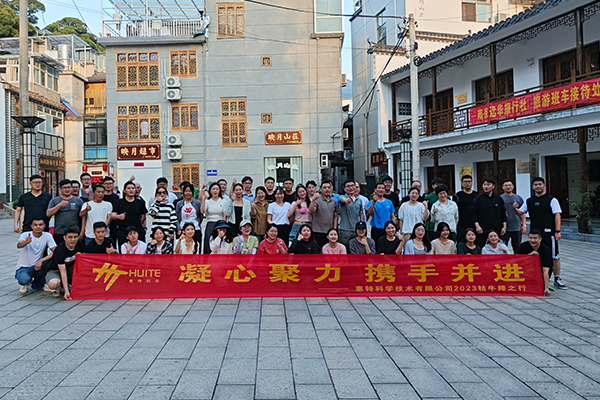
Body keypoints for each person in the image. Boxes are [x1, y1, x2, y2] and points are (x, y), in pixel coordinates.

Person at [515, 177, 565, 289]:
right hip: (535, 235)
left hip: (549, 233)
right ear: (533, 187)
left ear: (544, 185)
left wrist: (557, 231)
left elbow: (557, 215)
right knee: (534, 255)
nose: (538, 186)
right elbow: (520, 212)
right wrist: (514, 208)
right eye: (536, 184)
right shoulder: (529, 201)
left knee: (554, 256)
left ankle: (557, 278)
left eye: (540, 184)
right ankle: (538, 278)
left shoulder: (551, 199)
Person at [15, 218, 56, 293]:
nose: (38, 227)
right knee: (24, 280)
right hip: (24, 267)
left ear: (44, 226)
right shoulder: (25, 234)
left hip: (38, 266)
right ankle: (25, 283)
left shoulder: (47, 235)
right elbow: (19, 245)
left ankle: (43, 282)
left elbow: (55, 251)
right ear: (32, 226)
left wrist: (42, 260)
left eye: (40, 225)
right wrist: (26, 242)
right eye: (35, 225)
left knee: (52, 260)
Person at [45, 227, 85, 300]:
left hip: (71, 268)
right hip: (56, 270)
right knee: (53, 283)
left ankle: (69, 285)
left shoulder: (80, 244)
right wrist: (66, 292)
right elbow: (63, 272)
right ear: (64, 238)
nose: (73, 240)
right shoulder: (60, 250)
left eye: (75, 237)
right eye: (70, 237)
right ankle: (59, 287)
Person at [47, 179, 84, 245]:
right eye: (64, 188)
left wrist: (82, 231)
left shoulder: (78, 200)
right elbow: (48, 214)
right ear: (60, 189)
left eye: (69, 187)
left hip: (74, 232)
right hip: (59, 232)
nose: (67, 189)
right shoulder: (54, 200)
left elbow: (84, 216)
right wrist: (59, 205)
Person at [112, 181, 148, 249]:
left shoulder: (140, 202)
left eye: (133, 188)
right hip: (123, 231)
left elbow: (143, 216)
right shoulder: (118, 202)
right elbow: (112, 215)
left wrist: (139, 225)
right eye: (128, 188)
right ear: (124, 190)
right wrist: (118, 216)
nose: (131, 190)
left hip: (137, 231)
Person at [473, 178, 506, 248]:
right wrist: (477, 226)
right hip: (482, 229)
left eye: (488, 185)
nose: (486, 187)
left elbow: (503, 213)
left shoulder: (498, 198)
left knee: (497, 247)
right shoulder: (478, 199)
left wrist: (504, 226)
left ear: (493, 186)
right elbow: (474, 213)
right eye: (484, 184)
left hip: (496, 228)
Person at [517, 229, 552, 297]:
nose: (532, 240)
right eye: (530, 238)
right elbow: (517, 261)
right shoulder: (523, 246)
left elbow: (546, 270)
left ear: (540, 239)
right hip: (526, 270)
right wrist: (529, 256)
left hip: (540, 271)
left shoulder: (546, 249)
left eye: (535, 238)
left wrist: (546, 288)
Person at [309, 180, 338, 247]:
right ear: (321, 190)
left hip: (330, 231)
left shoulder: (333, 201)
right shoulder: (317, 200)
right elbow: (311, 211)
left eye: (328, 187)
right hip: (318, 230)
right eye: (324, 188)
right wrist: (313, 200)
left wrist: (334, 228)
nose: (327, 189)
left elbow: (335, 216)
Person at [201, 182, 228, 254]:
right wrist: (203, 200)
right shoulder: (207, 201)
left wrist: (223, 227)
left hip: (220, 224)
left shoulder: (223, 201)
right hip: (210, 223)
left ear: (219, 190)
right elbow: (202, 211)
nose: (215, 191)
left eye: (217, 189)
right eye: (213, 189)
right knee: (209, 244)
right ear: (210, 190)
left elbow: (224, 215)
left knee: (220, 244)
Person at [338, 179, 364, 247]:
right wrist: (346, 200)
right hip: (345, 230)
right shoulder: (342, 197)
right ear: (344, 189)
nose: (351, 188)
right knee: (345, 249)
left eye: (352, 185)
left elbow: (361, 213)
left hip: (357, 229)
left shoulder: (359, 200)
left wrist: (362, 225)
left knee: (357, 248)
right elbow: (342, 200)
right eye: (348, 186)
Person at [501, 179, 524, 252]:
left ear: (513, 186)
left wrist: (524, 225)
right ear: (503, 187)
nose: (508, 187)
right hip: (504, 228)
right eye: (506, 185)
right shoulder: (500, 198)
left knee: (517, 248)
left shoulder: (518, 198)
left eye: (510, 185)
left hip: (516, 227)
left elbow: (522, 213)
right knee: (503, 248)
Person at [454, 175, 478, 244]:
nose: (467, 183)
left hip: (474, 223)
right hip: (461, 223)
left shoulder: (477, 196)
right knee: (461, 242)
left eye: (469, 181)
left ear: (472, 183)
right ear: (462, 183)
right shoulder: (457, 196)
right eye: (465, 182)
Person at [102, 176, 120, 242]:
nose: (108, 185)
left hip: (114, 224)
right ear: (103, 185)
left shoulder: (116, 197)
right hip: (102, 220)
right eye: (106, 184)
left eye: (110, 183)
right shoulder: (101, 196)